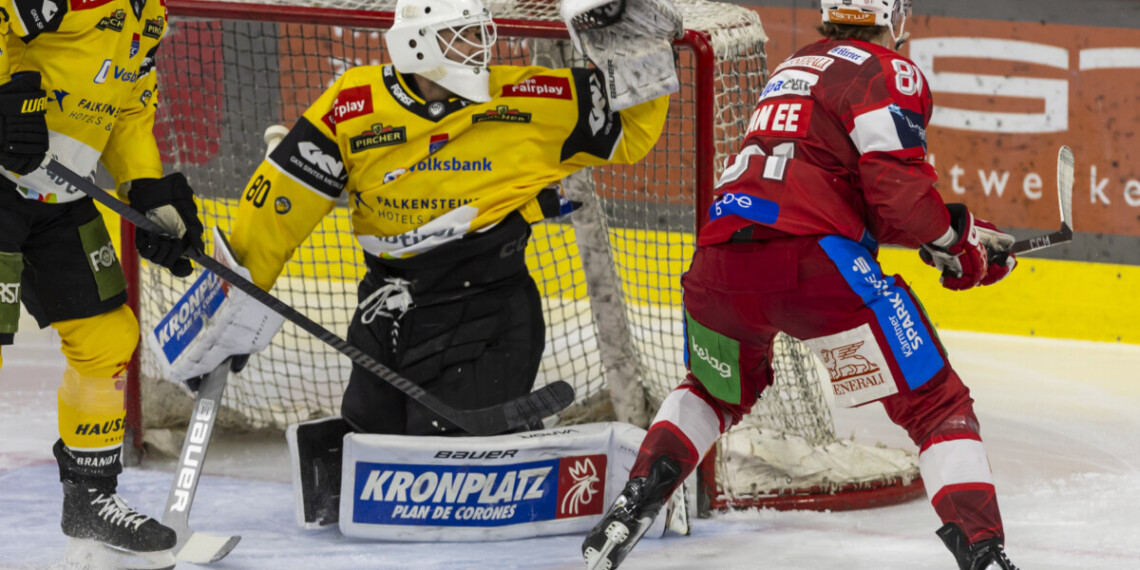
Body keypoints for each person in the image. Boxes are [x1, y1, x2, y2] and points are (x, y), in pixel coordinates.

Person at [168, 0, 672, 525]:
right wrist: (230, 313)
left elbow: (630, 132)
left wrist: (639, 51)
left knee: (441, 466)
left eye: (479, 33)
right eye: (460, 36)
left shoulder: (529, 94)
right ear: (416, 44)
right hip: (388, 308)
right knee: (374, 442)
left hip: (488, 307)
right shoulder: (353, 106)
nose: (480, 49)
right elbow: (274, 214)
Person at [583, 1, 1023, 569]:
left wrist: (958, 235)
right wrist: (957, 246)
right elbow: (900, 196)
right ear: (892, 13)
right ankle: (984, 554)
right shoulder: (886, 69)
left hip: (720, 261)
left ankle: (631, 506)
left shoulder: (796, 65)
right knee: (936, 407)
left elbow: (854, 197)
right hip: (815, 269)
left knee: (712, 391)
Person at [0, 0, 205, 566]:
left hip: (61, 196)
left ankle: (90, 499)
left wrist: (147, 190)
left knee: (108, 339)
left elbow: (130, 111)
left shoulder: (149, 15)